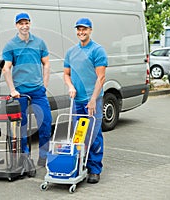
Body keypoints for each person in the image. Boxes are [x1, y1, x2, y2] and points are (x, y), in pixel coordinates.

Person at [2, 13, 52, 167]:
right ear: (16, 25)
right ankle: (25, 158)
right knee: (21, 128)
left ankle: (44, 156)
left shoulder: (39, 43)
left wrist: (44, 85)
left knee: (46, 123)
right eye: (21, 23)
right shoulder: (10, 45)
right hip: (20, 93)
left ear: (30, 24)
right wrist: (12, 90)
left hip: (38, 92)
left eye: (26, 23)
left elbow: (47, 64)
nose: (24, 26)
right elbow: (6, 68)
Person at [63, 17, 108, 184]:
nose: (81, 32)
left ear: (90, 30)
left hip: (93, 101)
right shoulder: (71, 52)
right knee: (78, 135)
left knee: (94, 135)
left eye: (85, 29)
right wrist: (70, 86)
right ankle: (79, 165)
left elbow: (101, 78)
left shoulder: (97, 50)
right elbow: (66, 74)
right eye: (79, 29)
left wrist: (93, 99)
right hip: (78, 101)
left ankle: (95, 169)